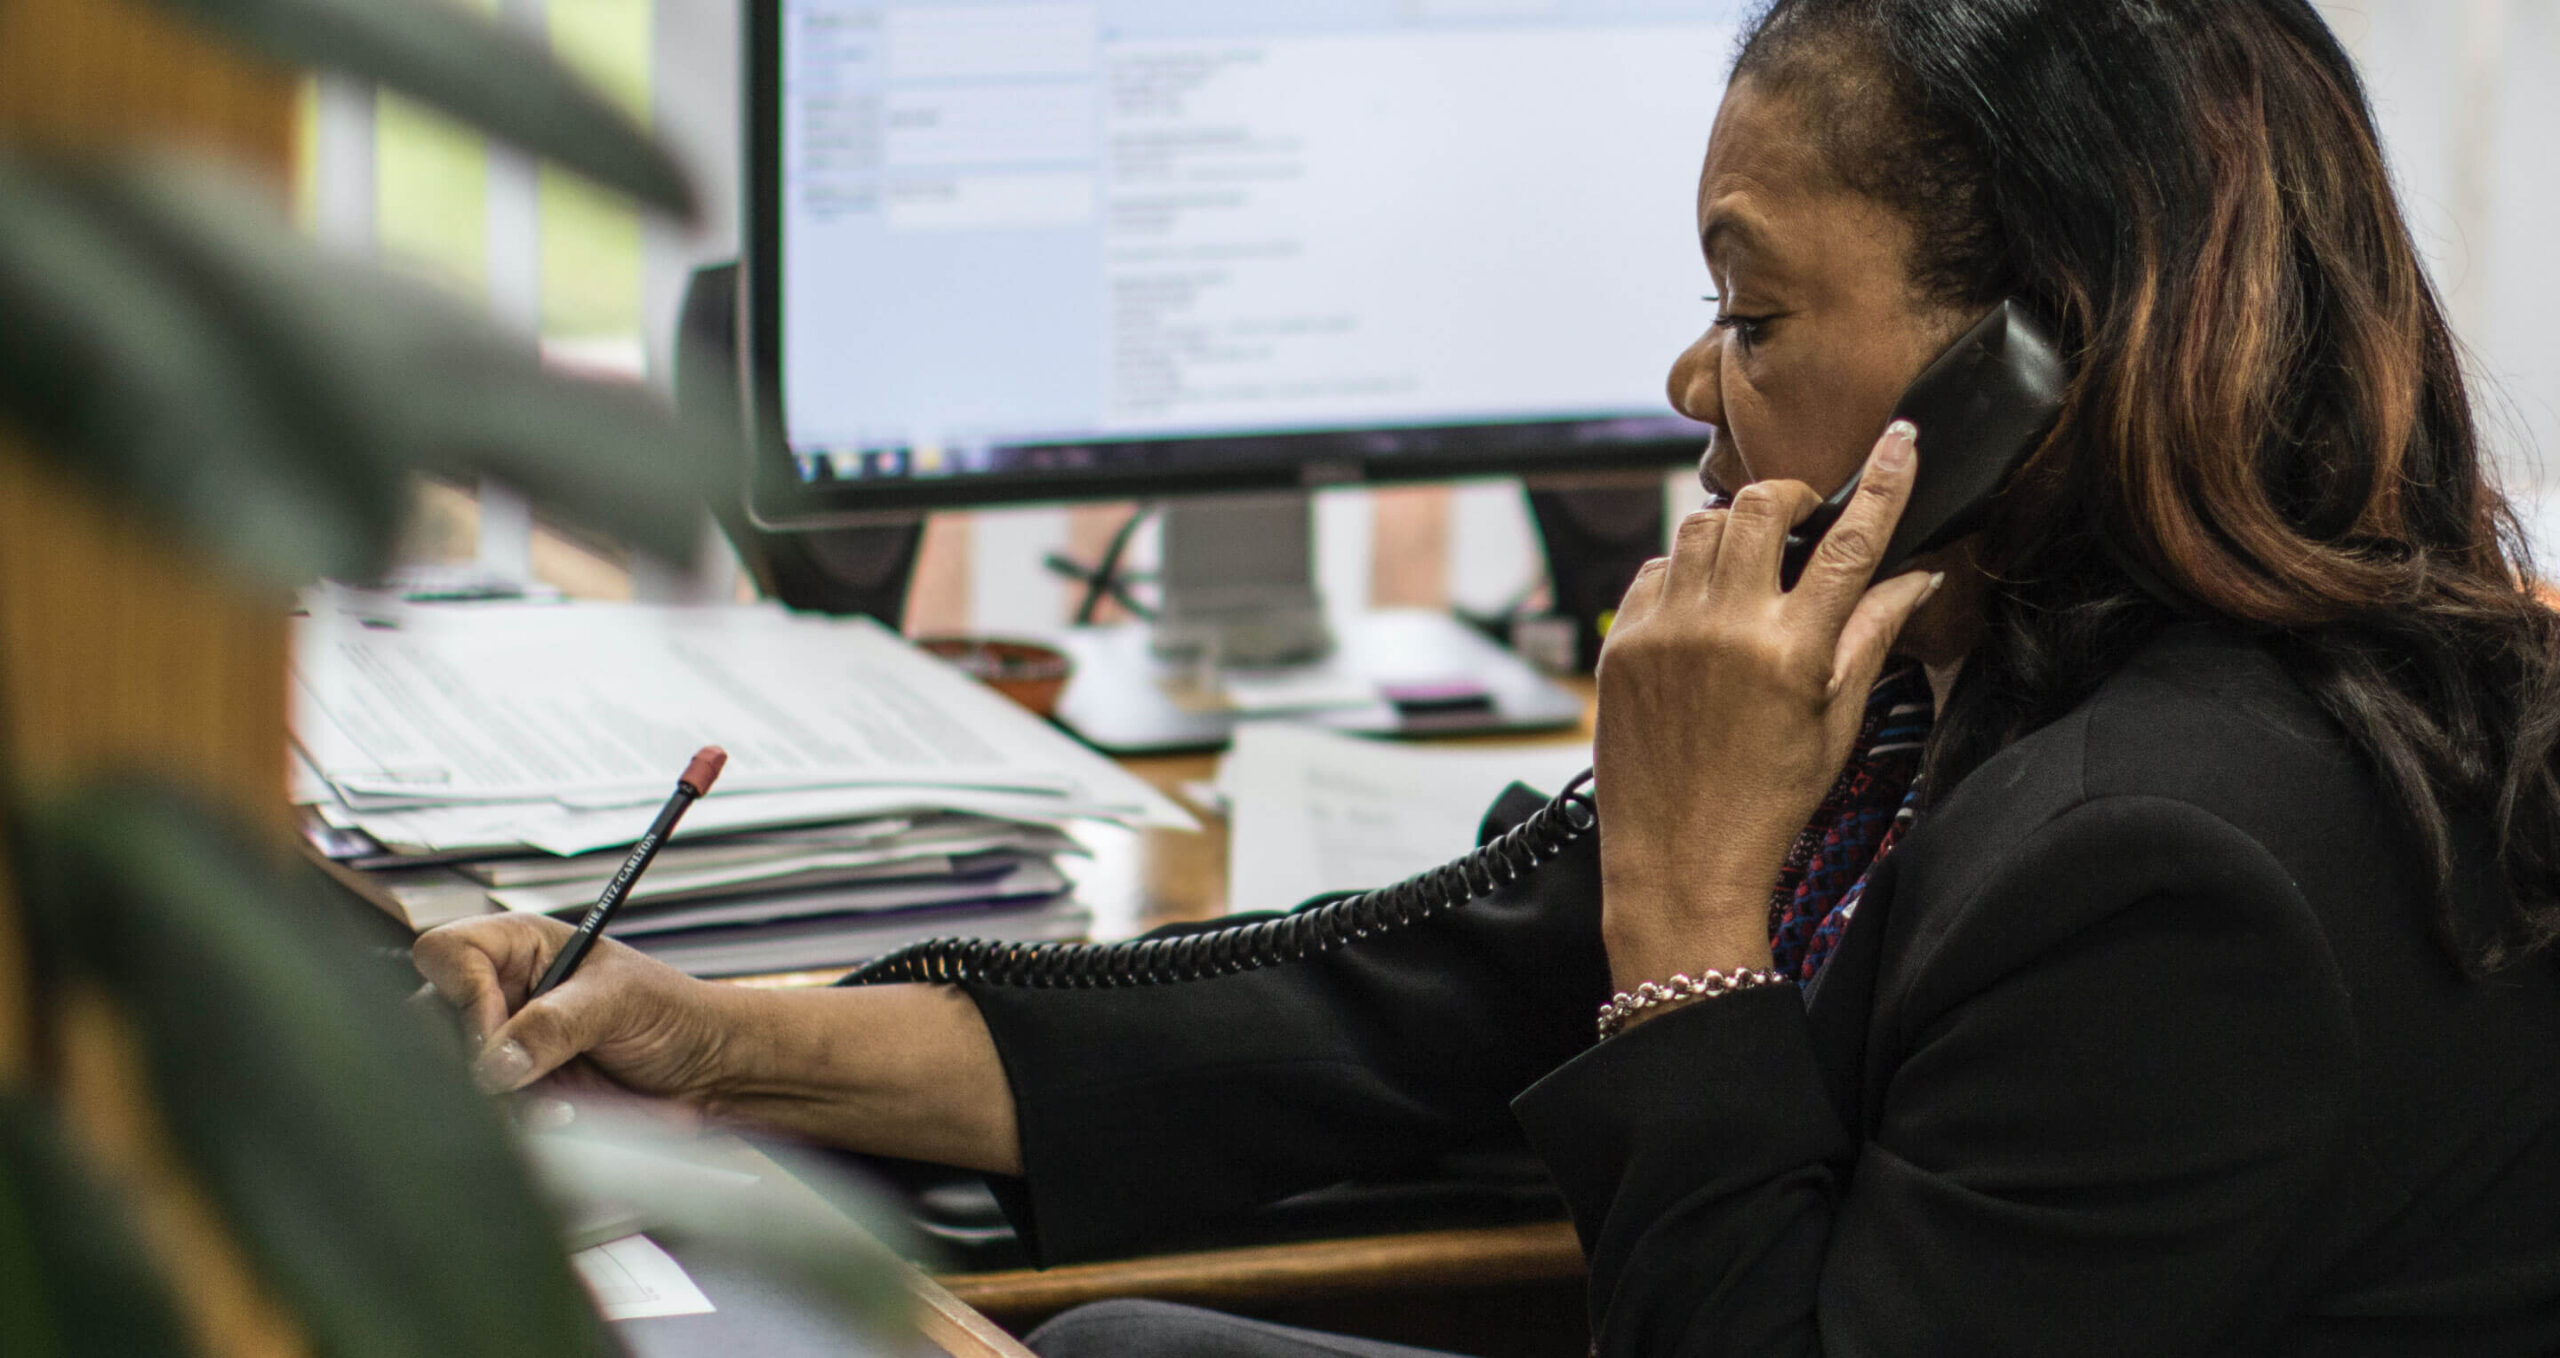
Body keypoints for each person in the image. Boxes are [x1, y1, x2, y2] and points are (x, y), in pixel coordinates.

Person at [416, 0, 2560, 1351]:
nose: (1683, 376)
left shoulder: (2184, 855)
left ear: (2038, 360)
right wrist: (706, 1037)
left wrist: (1690, 927)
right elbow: (1373, 1006)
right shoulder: (1943, 672)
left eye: (1751, 309)